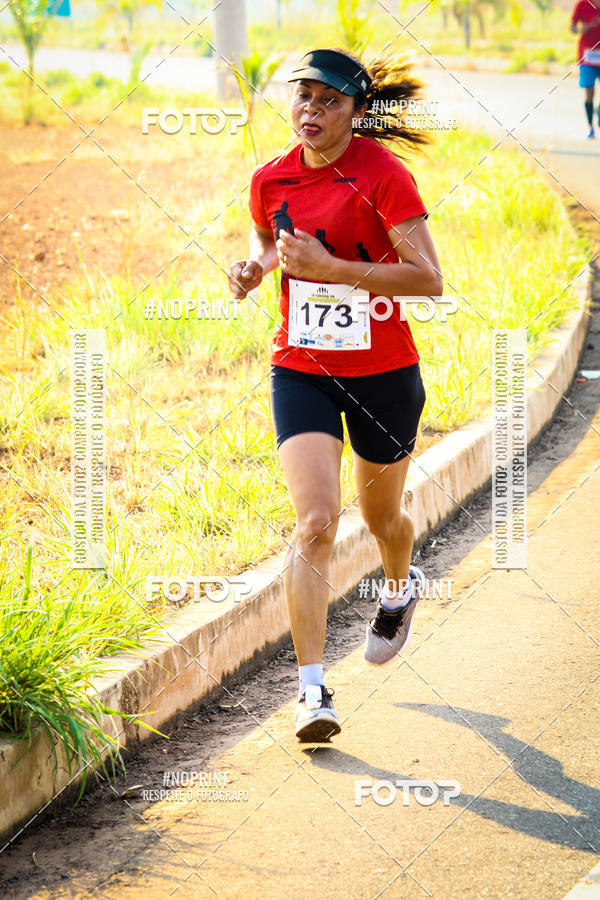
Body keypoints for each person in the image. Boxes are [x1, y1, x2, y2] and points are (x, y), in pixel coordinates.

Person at [227, 48, 443, 742]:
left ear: (356, 112)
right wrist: (257, 268)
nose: (311, 113)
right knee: (317, 521)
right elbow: (270, 238)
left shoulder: (383, 176)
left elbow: (427, 278)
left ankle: (399, 586)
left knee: (383, 521)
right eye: (303, 98)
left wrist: (334, 270)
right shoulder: (270, 177)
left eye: (329, 102)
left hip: (383, 373)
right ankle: (313, 693)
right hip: (302, 366)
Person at [571, 0, 600, 138]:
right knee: (589, 93)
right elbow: (572, 27)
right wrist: (580, 28)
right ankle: (590, 127)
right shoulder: (582, 5)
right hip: (587, 56)